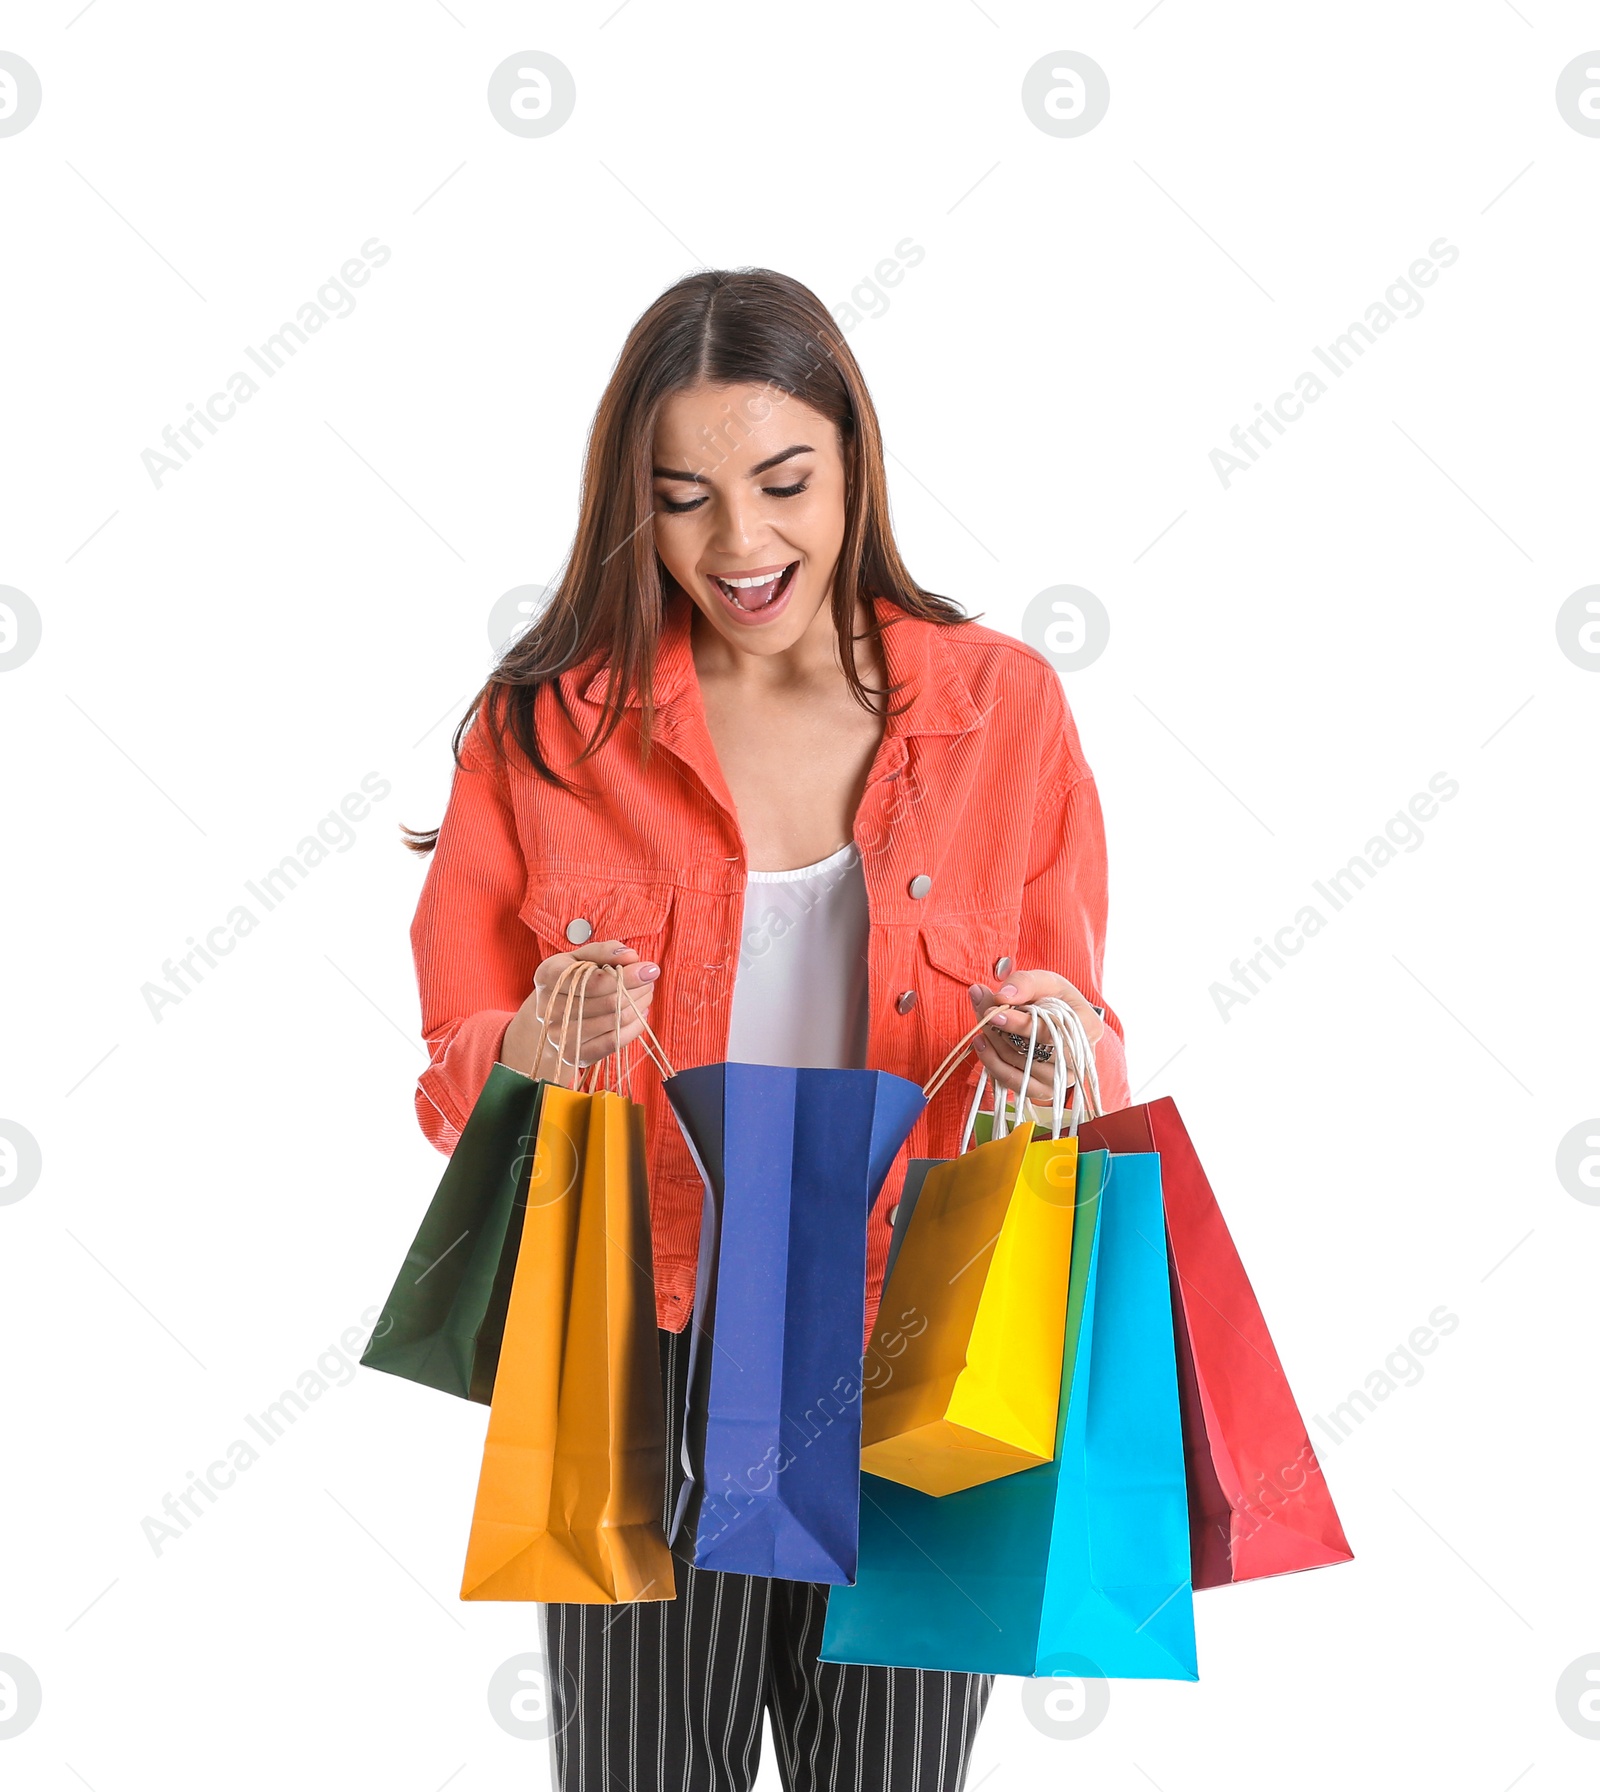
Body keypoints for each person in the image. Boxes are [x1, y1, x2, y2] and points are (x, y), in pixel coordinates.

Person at [406, 267, 1130, 1791]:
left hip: (929, 1338)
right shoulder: (545, 730)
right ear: (633, 504)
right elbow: (456, 1077)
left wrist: (1049, 1038)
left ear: (853, 464)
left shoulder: (1007, 709)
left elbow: (1087, 1048)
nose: (741, 544)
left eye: (784, 481)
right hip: (646, 1345)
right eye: (685, 497)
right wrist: (539, 1035)